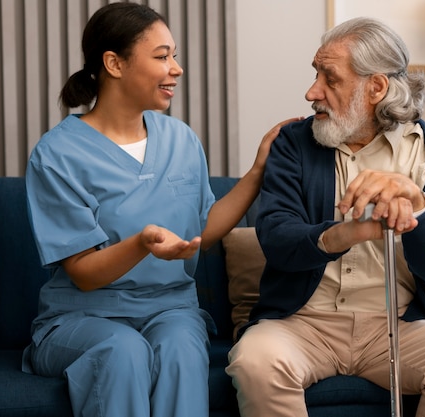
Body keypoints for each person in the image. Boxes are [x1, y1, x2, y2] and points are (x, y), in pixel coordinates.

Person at [21, 3, 299, 417]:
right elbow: (82, 271)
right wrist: (142, 243)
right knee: (124, 350)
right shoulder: (57, 153)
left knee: (182, 350)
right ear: (114, 63)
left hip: (170, 309)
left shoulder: (181, 139)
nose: (177, 68)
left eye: (175, 55)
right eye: (162, 56)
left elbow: (203, 230)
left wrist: (259, 169)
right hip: (83, 317)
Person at [225, 17, 425, 417]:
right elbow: (278, 240)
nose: (311, 92)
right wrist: (343, 234)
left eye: (329, 79)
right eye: (315, 74)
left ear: (377, 87)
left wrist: (419, 205)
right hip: (303, 324)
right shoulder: (293, 145)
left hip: (397, 327)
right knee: (255, 360)